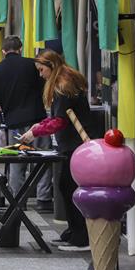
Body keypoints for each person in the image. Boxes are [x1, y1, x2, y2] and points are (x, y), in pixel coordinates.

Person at [21, 50, 91, 251]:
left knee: (68, 187)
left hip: (74, 145)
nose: (40, 74)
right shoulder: (66, 82)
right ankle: (73, 232)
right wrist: (36, 128)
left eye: (41, 70)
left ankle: (80, 236)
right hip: (73, 144)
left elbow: (59, 121)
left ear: (51, 66)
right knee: (65, 186)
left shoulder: (62, 88)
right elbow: (56, 118)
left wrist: (35, 133)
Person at [0, 35, 53, 213]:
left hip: (14, 121)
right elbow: (43, 85)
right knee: (44, 158)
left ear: (3, 52)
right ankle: (44, 198)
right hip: (37, 119)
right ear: (20, 49)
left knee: (17, 161)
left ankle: (18, 199)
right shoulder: (32, 65)